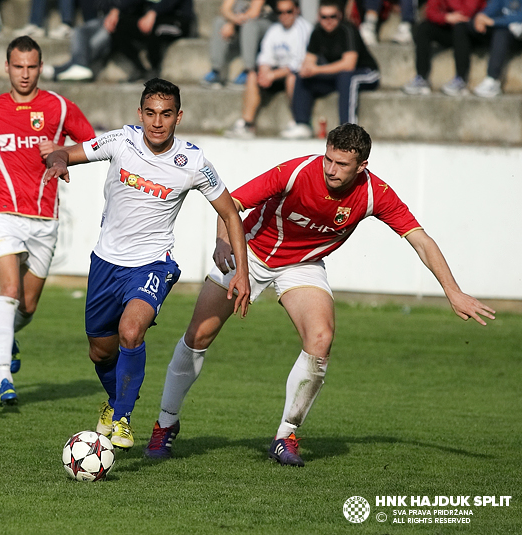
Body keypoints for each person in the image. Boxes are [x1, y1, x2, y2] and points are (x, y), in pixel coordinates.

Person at [144, 123, 495, 464]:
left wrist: (453, 291)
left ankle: (286, 436)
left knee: (321, 338)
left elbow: (421, 240)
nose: (331, 169)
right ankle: (165, 423)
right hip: (248, 252)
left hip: (303, 265)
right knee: (199, 334)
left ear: (362, 166)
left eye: (341, 164)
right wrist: (224, 245)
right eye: (328, 159)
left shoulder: (375, 194)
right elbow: (229, 204)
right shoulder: (296, 171)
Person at [43, 78, 252, 449]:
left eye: (166, 114)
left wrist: (243, 274)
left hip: (154, 264)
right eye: (151, 113)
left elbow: (231, 214)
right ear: (140, 114)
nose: (157, 122)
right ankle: (114, 402)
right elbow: (65, 153)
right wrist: (58, 161)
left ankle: (122, 418)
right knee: (100, 350)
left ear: (178, 117)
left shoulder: (193, 161)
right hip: (106, 263)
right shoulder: (121, 141)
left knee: (130, 331)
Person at [0, 36, 95, 408]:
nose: (25, 74)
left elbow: (95, 144)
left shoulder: (60, 108)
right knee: (9, 291)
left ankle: (9, 336)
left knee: (27, 306)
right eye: (18, 66)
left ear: (41, 67)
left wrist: (62, 152)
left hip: (45, 218)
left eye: (32, 67)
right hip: (1, 213)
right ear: (7, 67)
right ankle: (4, 376)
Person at [280, 0, 379, 139]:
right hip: (337, 76)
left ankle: (348, 130)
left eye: (332, 16)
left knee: (347, 78)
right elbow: (309, 61)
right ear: (318, 17)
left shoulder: (348, 30)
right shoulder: (316, 32)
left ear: (339, 16)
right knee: (301, 77)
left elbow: (348, 64)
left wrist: (316, 70)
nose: (328, 21)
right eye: (324, 17)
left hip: (366, 72)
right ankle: (301, 123)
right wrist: (307, 70)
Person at [225, 0, 312, 138]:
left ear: (296, 10)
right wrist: (264, 73)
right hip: (276, 73)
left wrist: (272, 75)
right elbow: (265, 57)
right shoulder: (275, 29)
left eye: (288, 11)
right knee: (253, 75)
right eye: (280, 12)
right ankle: (247, 124)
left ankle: (299, 122)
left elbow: (298, 63)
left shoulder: (304, 29)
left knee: (293, 77)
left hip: (297, 76)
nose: (284, 15)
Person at [402, 0, 486, 96]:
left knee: (460, 27)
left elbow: (467, 12)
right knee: (424, 28)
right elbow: (430, 12)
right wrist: (446, 17)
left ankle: (461, 79)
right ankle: (421, 77)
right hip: (450, 26)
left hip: (474, 31)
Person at [111, 0, 195, 80]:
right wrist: (116, 10)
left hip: (177, 21)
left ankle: (154, 68)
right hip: (152, 19)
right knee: (117, 27)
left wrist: (154, 12)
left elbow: (169, 3)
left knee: (155, 30)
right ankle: (141, 68)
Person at [202, 0, 276, 88]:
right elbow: (224, 9)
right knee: (219, 22)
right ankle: (216, 70)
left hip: (264, 24)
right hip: (240, 22)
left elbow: (254, 13)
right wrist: (232, 21)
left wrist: (232, 24)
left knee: (249, 25)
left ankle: (249, 71)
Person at [470, 0, 522, 97]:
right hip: (506, 30)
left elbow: (519, 17)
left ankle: (492, 80)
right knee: (463, 26)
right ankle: (460, 80)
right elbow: (491, 9)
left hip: (517, 35)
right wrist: (481, 17)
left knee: (501, 32)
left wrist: (493, 22)